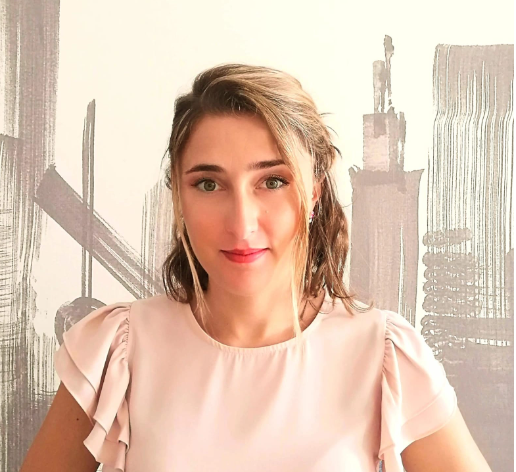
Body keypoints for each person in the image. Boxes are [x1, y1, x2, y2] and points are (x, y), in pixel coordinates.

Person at [21, 64, 492, 472]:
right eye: (209, 184)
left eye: (272, 181)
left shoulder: (385, 355)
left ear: (313, 192)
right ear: (178, 196)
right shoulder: (117, 351)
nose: (241, 223)